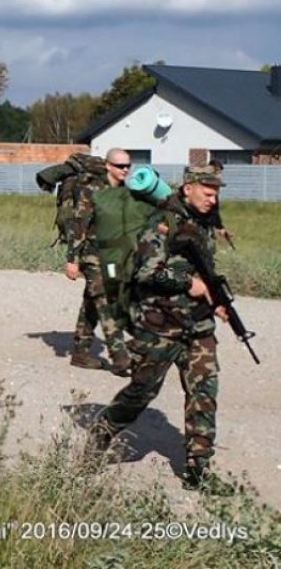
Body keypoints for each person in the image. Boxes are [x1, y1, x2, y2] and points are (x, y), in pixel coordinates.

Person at [87, 166, 230, 493]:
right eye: (208, 193)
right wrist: (188, 283)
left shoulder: (204, 223)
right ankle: (103, 432)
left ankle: (198, 470)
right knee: (141, 393)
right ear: (189, 188)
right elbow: (146, 272)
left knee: (204, 395)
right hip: (160, 328)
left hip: (198, 328)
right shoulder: (163, 223)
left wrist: (216, 300)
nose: (213, 199)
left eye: (216, 194)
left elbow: (205, 270)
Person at [66, 148, 133, 375]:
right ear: (108, 166)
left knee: (93, 300)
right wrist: (72, 259)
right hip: (92, 256)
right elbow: (78, 224)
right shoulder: (92, 190)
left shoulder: (125, 192)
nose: (125, 170)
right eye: (120, 166)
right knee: (105, 298)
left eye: (128, 166)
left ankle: (81, 351)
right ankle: (120, 356)